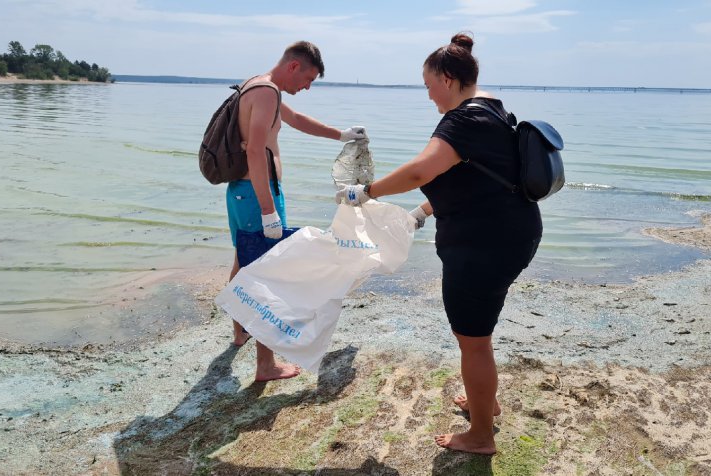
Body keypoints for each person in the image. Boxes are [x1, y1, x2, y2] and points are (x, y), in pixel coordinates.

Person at [335, 33, 542, 454]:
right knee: (478, 332)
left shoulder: (463, 120)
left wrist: (365, 191)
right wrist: (421, 214)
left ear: (448, 79)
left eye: (429, 85)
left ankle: (481, 436)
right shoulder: (494, 112)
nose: (429, 95)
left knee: (473, 339)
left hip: (483, 244)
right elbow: (474, 181)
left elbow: (419, 172)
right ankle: (488, 402)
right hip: (510, 233)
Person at [226, 40, 367, 382]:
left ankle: (240, 330)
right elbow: (255, 153)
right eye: (308, 79)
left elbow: (297, 120)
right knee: (267, 273)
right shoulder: (266, 92)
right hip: (256, 194)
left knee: (245, 261)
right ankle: (265, 365)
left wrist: (341, 135)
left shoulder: (261, 87)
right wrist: (268, 210)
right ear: (293, 66)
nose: (306, 87)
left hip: (243, 193)